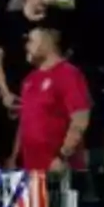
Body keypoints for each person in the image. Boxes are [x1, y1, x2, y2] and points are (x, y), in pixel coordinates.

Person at [14, 25, 92, 172]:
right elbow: (24, 122)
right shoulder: (29, 80)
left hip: (58, 168)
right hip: (30, 170)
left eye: (31, 41)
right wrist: (14, 157)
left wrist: (62, 155)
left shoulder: (68, 74)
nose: (26, 46)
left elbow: (80, 119)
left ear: (46, 43)